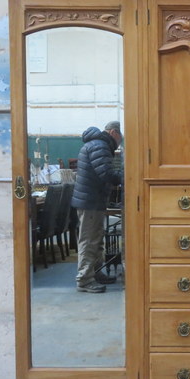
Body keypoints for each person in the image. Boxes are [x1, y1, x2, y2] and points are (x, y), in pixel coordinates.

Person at [71, 121, 123, 293]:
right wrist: (126, 176)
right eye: (120, 137)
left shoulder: (97, 144)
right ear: (114, 132)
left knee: (96, 238)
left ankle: (95, 273)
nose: (120, 141)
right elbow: (106, 173)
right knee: (89, 240)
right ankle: (84, 279)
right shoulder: (100, 145)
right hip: (90, 201)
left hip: (92, 200)